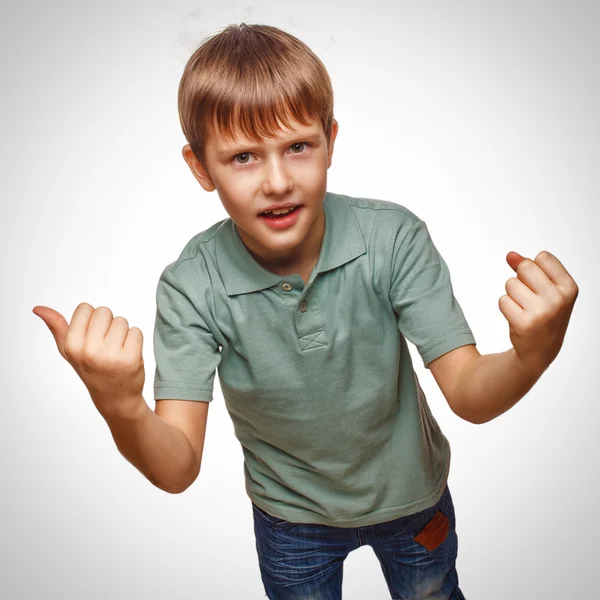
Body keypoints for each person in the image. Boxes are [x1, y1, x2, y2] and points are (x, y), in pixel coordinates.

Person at [32, 22, 579, 600]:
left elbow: (469, 392)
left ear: (330, 141)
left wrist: (533, 353)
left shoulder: (392, 238)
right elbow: (177, 467)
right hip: (291, 522)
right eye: (243, 156)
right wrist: (119, 405)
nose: (277, 181)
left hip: (415, 500)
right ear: (200, 168)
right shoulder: (192, 285)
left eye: (297, 146)